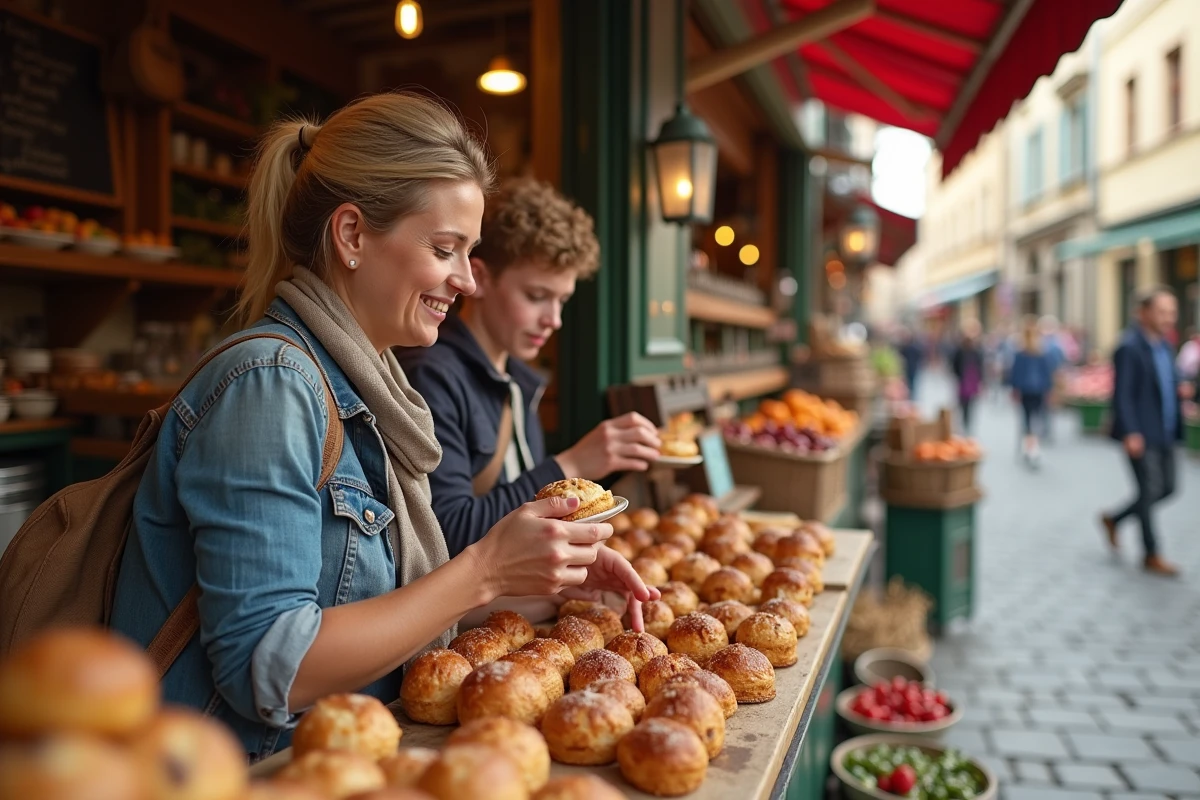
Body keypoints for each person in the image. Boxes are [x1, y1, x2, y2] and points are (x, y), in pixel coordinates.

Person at [109, 93, 655, 759]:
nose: (466, 281)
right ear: (352, 236)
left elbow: (393, 610)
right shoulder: (270, 385)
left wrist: (545, 576)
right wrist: (484, 568)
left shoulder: (374, 390)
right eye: (445, 249)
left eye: (469, 253)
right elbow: (269, 666)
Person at [397, 178, 661, 558]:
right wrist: (572, 463)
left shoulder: (517, 380)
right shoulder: (432, 373)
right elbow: (446, 532)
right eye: (537, 297)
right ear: (481, 279)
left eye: (562, 301)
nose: (554, 319)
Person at [1101, 288, 1187, 576]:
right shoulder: (1129, 346)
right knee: (1149, 489)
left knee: (1168, 487)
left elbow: (1170, 382)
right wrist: (1130, 431)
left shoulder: (1165, 346)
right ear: (1144, 312)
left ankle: (1115, 519)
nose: (1168, 318)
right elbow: (1122, 393)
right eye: (1162, 312)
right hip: (1140, 432)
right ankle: (1151, 553)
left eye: (1171, 312)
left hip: (1165, 429)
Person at [1008, 317, 1054, 467]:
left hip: (1026, 390)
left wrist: (1014, 389)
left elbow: (1015, 374)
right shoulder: (1041, 352)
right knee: (1037, 418)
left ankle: (1030, 446)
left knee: (1027, 419)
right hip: (1038, 390)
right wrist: (1048, 389)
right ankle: (1033, 446)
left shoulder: (1021, 353)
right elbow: (1047, 373)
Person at [951, 320, 985, 432]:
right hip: (963, 381)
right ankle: (964, 423)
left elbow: (980, 366)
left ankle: (967, 424)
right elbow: (954, 365)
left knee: (970, 405)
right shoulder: (960, 350)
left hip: (972, 381)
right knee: (963, 404)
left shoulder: (977, 350)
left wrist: (981, 380)